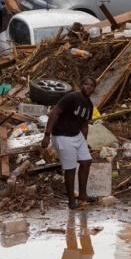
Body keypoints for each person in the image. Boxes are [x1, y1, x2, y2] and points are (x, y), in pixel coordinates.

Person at [42, 77, 97, 209]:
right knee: (70, 168)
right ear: (81, 85)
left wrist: (84, 141)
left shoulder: (89, 105)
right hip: (62, 135)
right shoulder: (71, 97)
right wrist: (47, 135)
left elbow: (84, 124)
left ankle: (83, 195)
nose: (88, 87)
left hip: (76, 135)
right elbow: (54, 113)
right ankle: (72, 201)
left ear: (94, 89)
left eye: (91, 86)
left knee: (86, 162)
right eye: (86, 84)